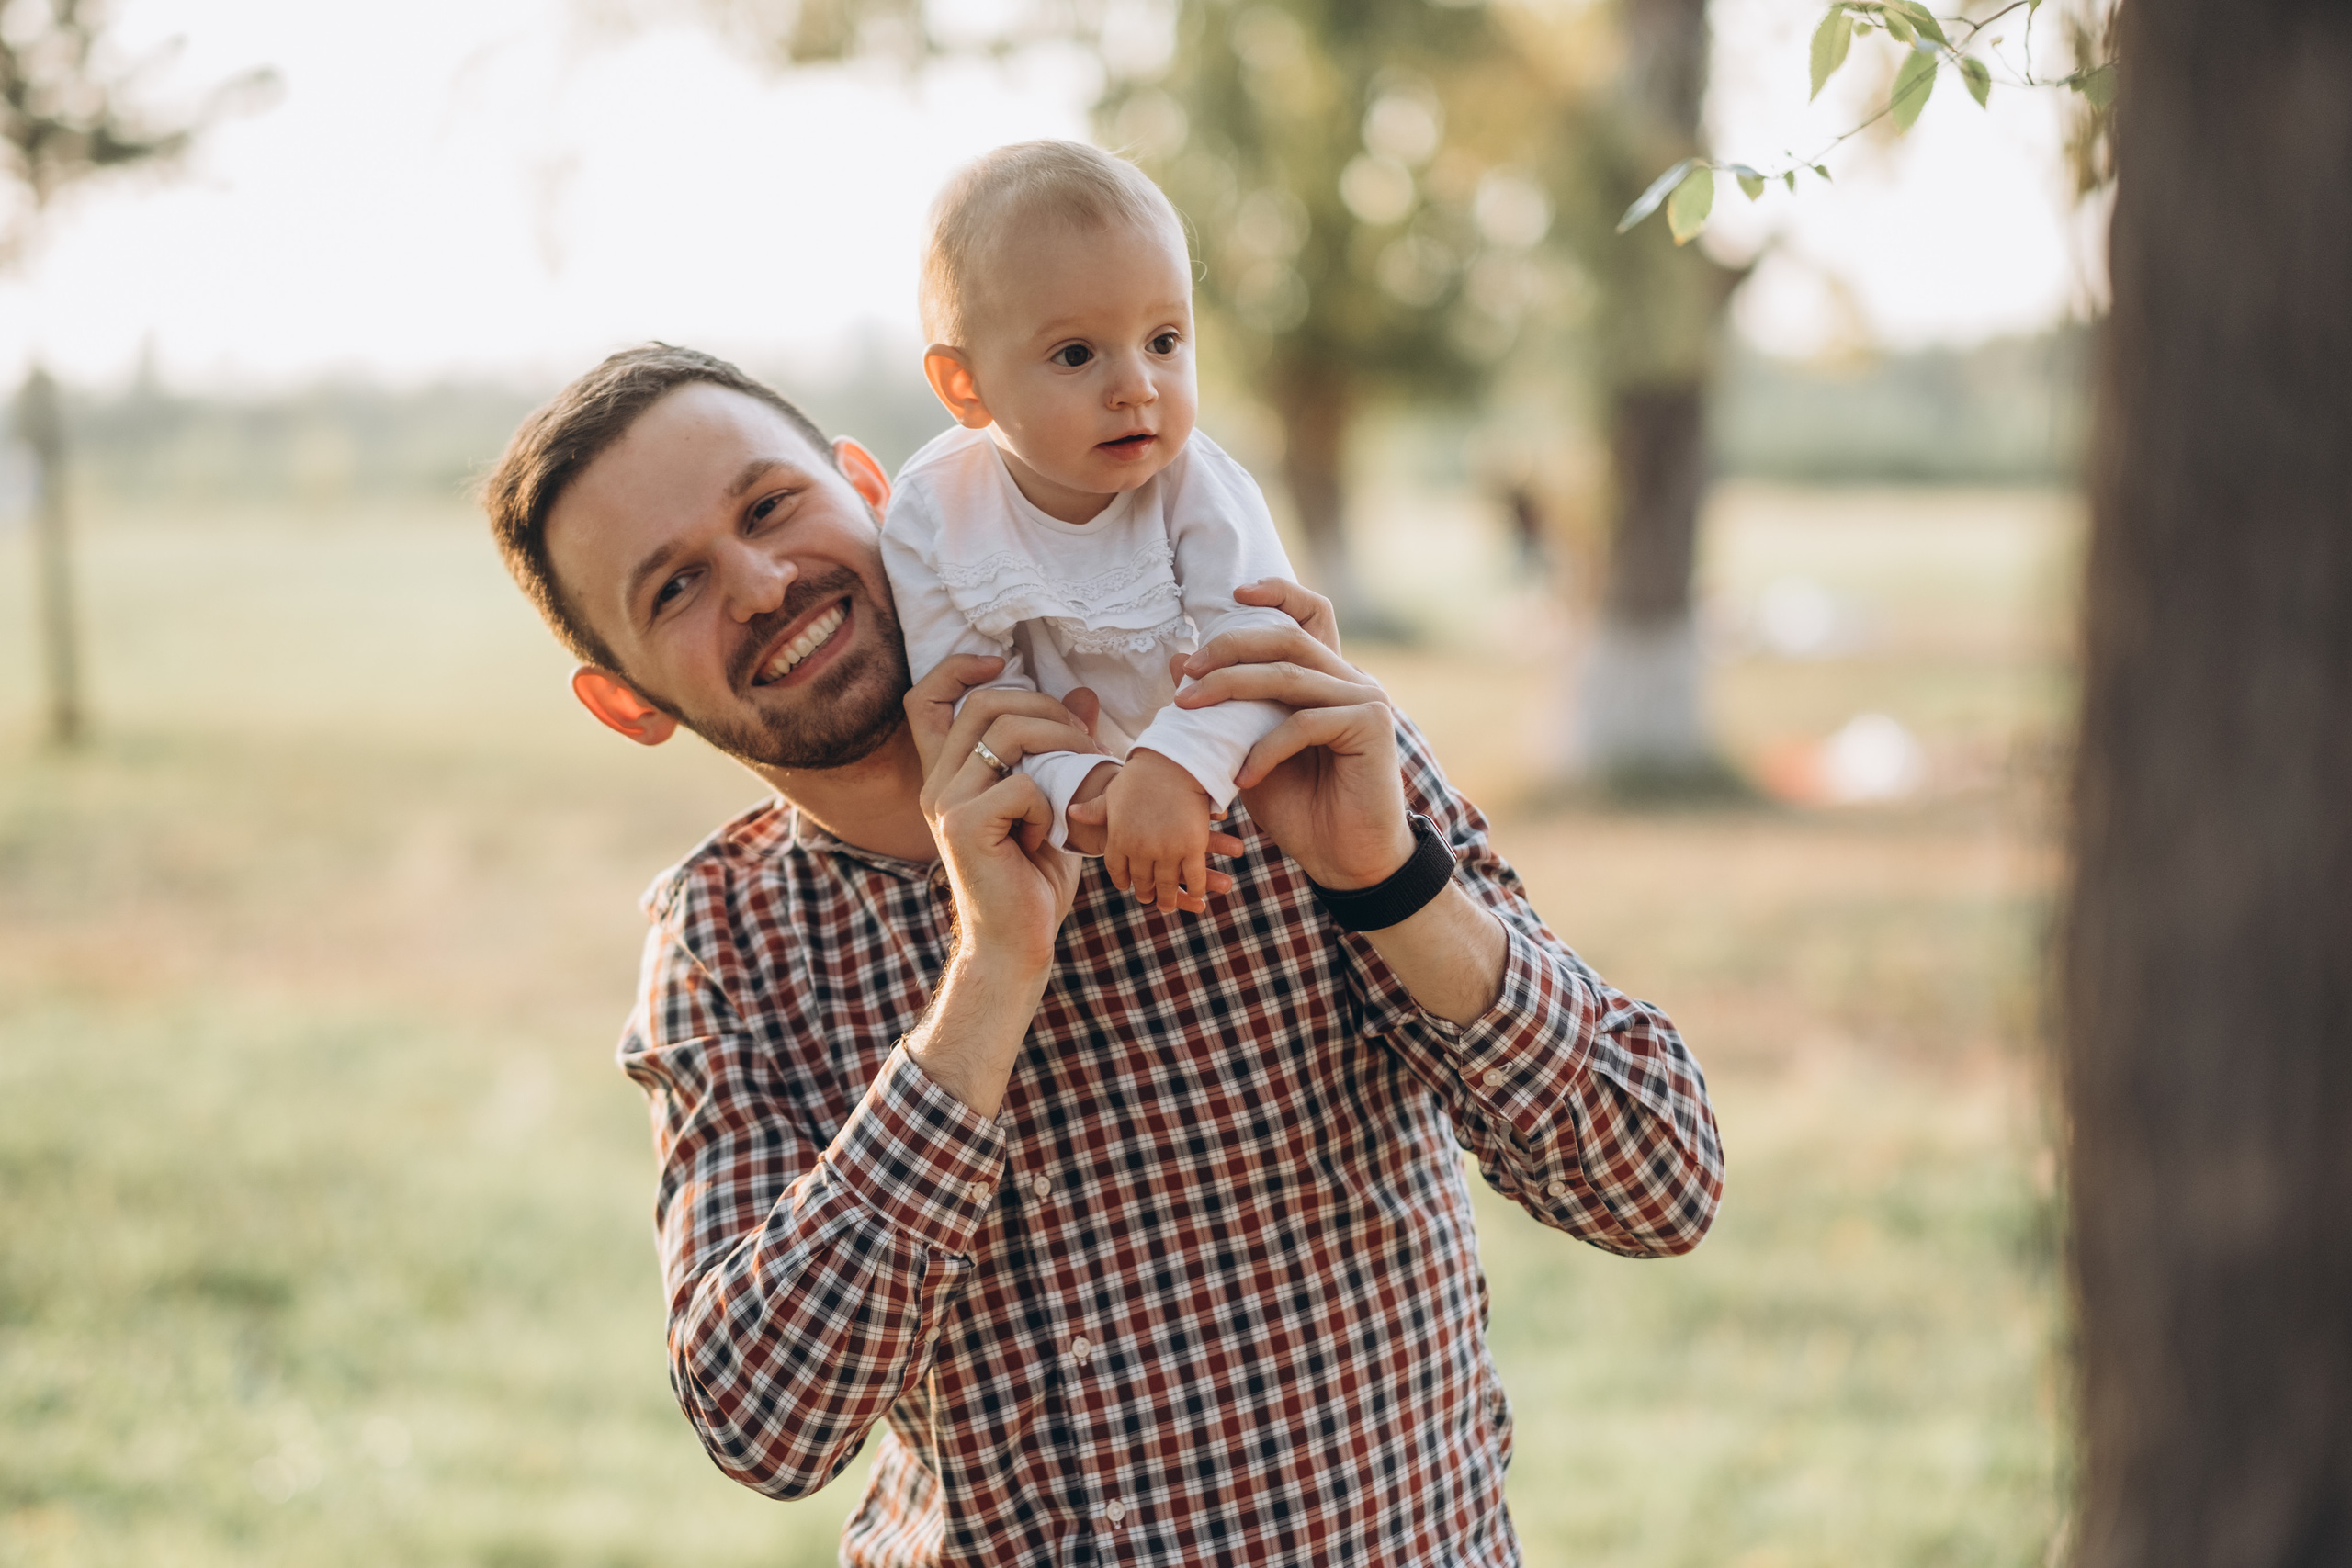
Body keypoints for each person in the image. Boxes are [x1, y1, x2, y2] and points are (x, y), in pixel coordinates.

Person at [481, 342, 1723, 1567]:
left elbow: (1660, 1182)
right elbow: (763, 1420)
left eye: (769, 504)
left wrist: (1386, 882)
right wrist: (989, 971)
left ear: (871, 486)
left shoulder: (1271, 734)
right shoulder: (723, 933)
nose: (757, 581)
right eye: (674, 588)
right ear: (627, 700)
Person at [885, 141, 1296, 912]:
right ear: (964, 384)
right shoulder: (932, 514)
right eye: (1076, 354)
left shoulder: (1194, 483)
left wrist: (1173, 769)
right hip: (1068, 825)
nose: (1137, 387)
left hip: (1233, 783)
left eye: (1164, 341)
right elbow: (979, 707)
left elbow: (1261, 653)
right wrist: (1096, 790)